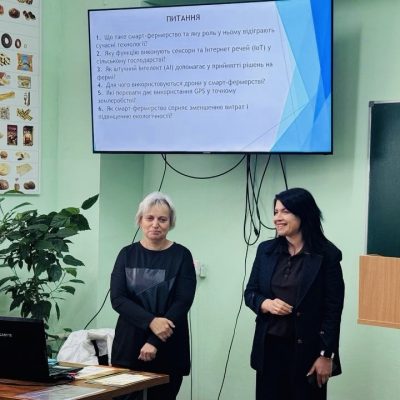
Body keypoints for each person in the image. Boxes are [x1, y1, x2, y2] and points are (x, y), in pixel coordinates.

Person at [244, 188, 345, 400]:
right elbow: (251, 292)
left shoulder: (327, 254)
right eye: (275, 212)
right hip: (269, 349)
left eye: (285, 211)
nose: (277, 218)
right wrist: (266, 304)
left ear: (303, 214)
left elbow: (333, 309)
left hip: (308, 352)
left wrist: (326, 355)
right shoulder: (266, 250)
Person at [110, 192, 196, 400]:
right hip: (129, 346)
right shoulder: (126, 254)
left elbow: (182, 301)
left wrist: (155, 340)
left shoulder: (182, 255)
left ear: (170, 223)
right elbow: (118, 299)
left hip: (168, 346)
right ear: (140, 220)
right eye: (150, 218)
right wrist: (151, 321)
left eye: (162, 219)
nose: (155, 224)